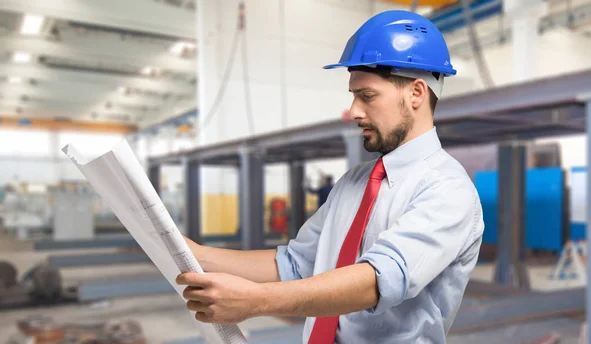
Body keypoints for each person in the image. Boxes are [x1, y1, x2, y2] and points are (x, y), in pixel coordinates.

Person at [177, 10, 484, 344]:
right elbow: (295, 263)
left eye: (367, 96)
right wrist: (195, 254)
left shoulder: (447, 189)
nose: (353, 111)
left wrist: (256, 300)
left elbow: (377, 281)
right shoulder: (354, 183)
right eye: (353, 96)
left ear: (416, 94)